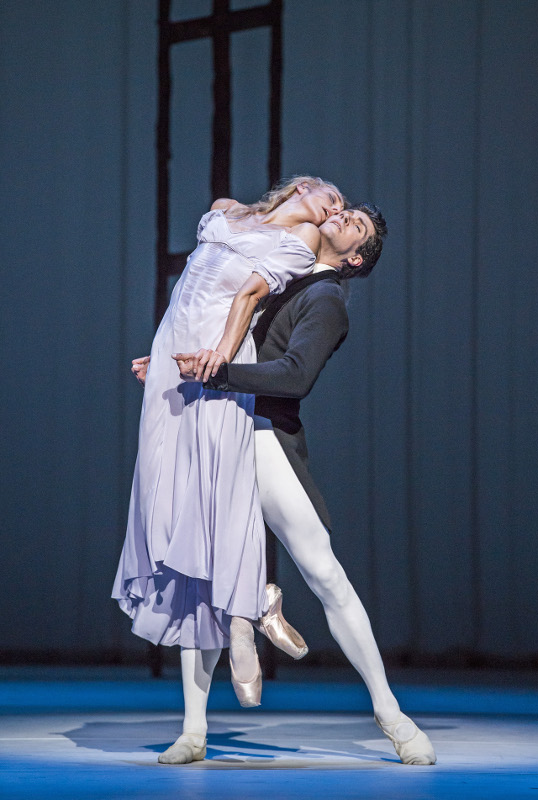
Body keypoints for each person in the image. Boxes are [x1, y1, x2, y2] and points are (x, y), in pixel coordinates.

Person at [172, 203, 437, 766]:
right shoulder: (277, 271)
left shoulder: (326, 300)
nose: (340, 216)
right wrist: (175, 363)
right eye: (342, 210)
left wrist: (216, 373)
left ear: (356, 257)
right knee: (202, 577)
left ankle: (391, 714)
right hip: (218, 425)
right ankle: (193, 730)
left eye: (355, 224)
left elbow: (294, 377)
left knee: (323, 573)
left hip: (264, 434)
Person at [112, 176, 344, 764]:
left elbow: (243, 299)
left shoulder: (297, 247)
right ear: (302, 186)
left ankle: (244, 613)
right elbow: (188, 286)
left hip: (217, 353)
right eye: (331, 197)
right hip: (178, 347)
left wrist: (217, 356)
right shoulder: (225, 211)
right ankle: (252, 604)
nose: (333, 209)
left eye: (340, 211)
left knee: (216, 490)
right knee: (168, 487)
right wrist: (166, 348)